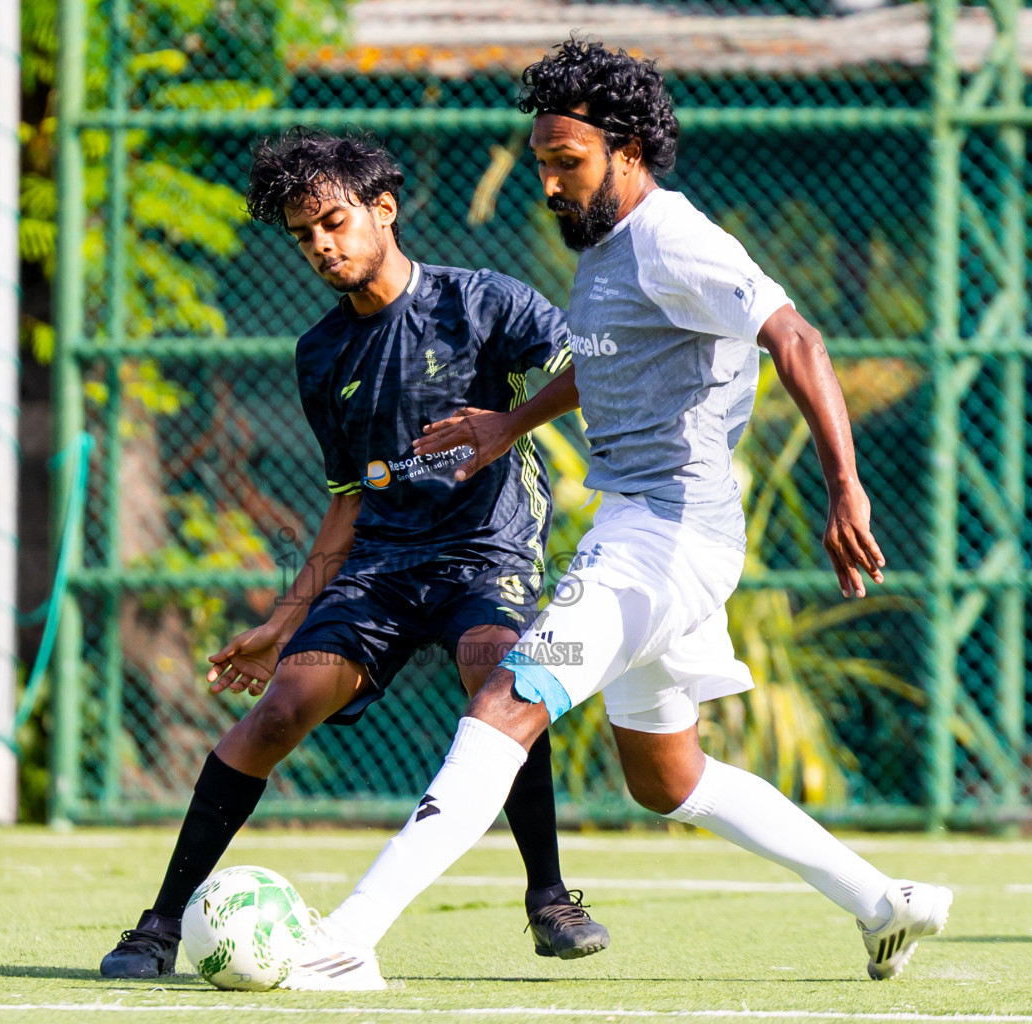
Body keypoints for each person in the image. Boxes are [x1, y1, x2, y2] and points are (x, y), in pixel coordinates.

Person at [279, 41, 953, 992]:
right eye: (543, 162)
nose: (550, 182)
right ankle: (884, 903)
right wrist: (511, 421)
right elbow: (603, 362)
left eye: (568, 162)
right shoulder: (606, 251)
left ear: (628, 149)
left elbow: (794, 334)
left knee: (508, 700)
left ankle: (351, 935)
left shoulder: (675, 241)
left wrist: (846, 483)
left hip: (665, 539)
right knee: (667, 780)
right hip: (648, 533)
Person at [99, 128, 610, 979]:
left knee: (497, 668)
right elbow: (349, 501)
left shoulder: (486, 304)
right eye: (303, 235)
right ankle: (158, 924)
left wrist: (508, 423)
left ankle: (549, 896)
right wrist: (281, 621)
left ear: (385, 209)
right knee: (278, 709)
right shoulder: (321, 355)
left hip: (487, 553)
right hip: (380, 567)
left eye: (334, 221)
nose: (321, 246)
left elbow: (595, 370)